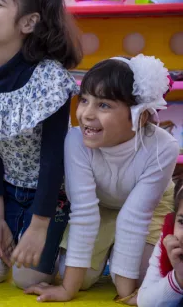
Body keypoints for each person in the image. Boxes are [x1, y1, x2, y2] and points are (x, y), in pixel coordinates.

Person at [0, 0, 83, 289]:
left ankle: (66, 245)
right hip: (5, 191)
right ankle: (16, 229)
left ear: (28, 23)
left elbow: (53, 157)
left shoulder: (49, 78)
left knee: (26, 278)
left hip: (50, 194)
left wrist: (39, 226)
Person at [26, 55, 179, 304]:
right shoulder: (75, 141)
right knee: (75, 277)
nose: (86, 114)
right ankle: (109, 255)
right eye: (84, 100)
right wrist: (68, 289)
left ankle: (117, 261)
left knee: (139, 280)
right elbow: (84, 212)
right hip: (101, 206)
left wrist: (127, 290)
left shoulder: (163, 147)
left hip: (150, 211)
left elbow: (136, 216)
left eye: (104, 105)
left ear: (139, 116)